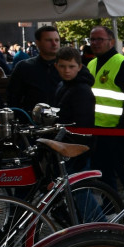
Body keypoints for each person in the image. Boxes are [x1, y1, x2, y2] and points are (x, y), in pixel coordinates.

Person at [87, 25, 124, 217]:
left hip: (120, 130)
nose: (95, 43)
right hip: (99, 129)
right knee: (104, 173)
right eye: (92, 39)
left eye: (99, 39)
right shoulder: (92, 64)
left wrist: (122, 125)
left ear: (111, 41)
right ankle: (110, 209)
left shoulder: (122, 63)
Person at [53, 46, 95, 174]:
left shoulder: (82, 90)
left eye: (71, 67)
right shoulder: (62, 85)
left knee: (78, 188)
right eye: (62, 66)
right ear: (56, 66)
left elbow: (83, 124)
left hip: (75, 148)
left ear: (79, 67)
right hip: (64, 145)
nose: (67, 71)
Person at [7, 25, 62, 114]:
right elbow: (13, 97)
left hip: (63, 121)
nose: (54, 43)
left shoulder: (69, 67)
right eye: (49, 40)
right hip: (31, 121)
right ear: (37, 43)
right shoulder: (24, 67)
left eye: (57, 40)